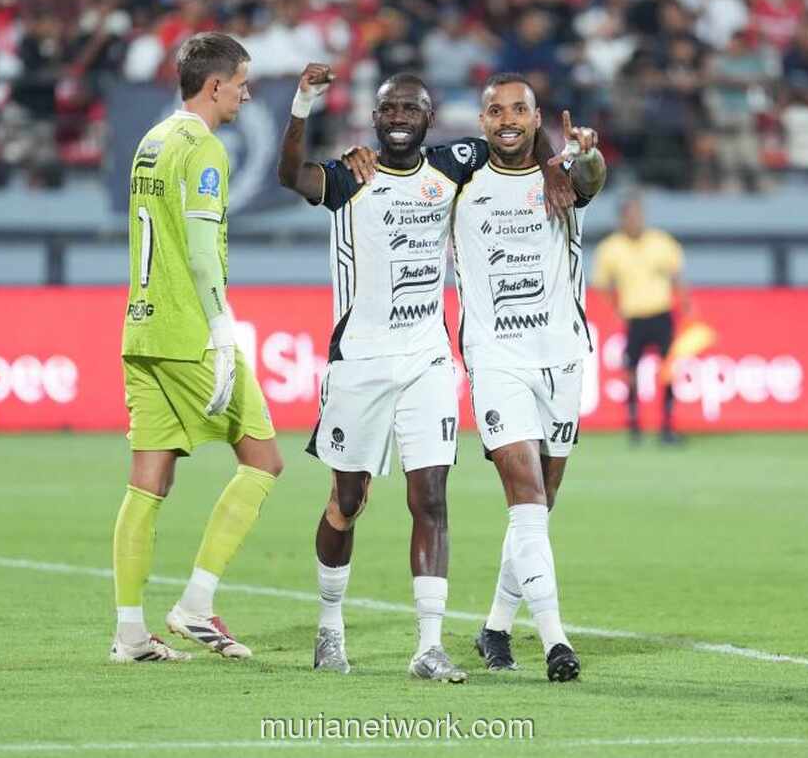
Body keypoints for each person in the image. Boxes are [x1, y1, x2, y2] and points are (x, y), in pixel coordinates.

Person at [284, 66, 573, 682]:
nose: (399, 119)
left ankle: (429, 646)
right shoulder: (350, 176)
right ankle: (330, 625)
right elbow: (291, 176)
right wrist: (303, 105)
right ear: (374, 117)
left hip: (428, 358)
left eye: (410, 109)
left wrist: (554, 167)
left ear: (429, 119)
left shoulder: (453, 163)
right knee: (347, 501)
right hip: (360, 361)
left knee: (432, 497)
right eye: (389, 109)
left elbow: (520, 138)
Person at [112, 32, 284, 663]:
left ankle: (130, 633)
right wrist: (221, 330)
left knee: (148, 482)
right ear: (214, 86)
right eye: (240, 83)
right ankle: (195, 603)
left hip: (141, 329)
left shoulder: (152, 140)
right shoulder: (206, 149)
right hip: (189, 333)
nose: (246, 94)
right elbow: (203, 252)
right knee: (264, 461)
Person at [453, 73, 605, 682]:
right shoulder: (458, 183)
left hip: (562, 355)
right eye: (497, 111)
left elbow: (592, 179)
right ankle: (554, 640)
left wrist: (584, 155)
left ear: (537, 118)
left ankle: (495, 626)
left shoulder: (562, 175)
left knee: (540, 504)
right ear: (482, 121)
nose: (508, 119)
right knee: (527, 498)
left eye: (519, 109)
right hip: (496, 359)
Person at [591, 192, 689, 444]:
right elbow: (603, 283)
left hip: (661, 313)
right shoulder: (611, 248)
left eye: (638, 214)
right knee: (631, 370)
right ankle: (634, 424)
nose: (636, 219)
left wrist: (685, 303)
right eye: (631, 215)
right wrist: (617, 306)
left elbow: (676, 275)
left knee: (667, 369)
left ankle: (667, 425)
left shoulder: (660, 242)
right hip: (634, 317)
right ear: (622, 218)